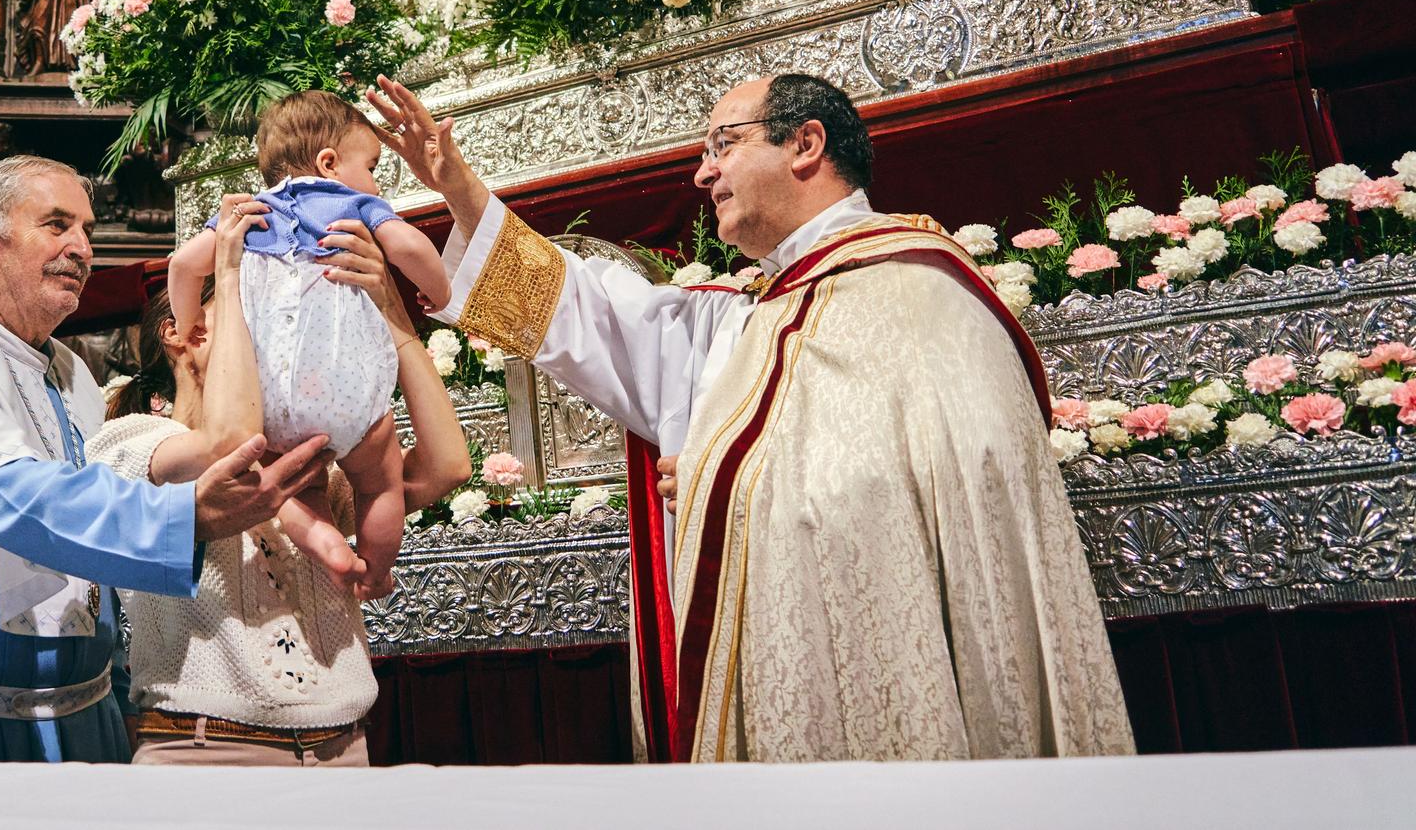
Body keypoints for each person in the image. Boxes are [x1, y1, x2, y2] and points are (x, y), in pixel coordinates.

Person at [367, 73, 1135, 764]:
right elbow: (587, 314)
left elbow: (901, 490)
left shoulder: (918, 294)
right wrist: (461, 188)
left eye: (723, 145)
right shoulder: (751, 320)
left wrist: (715, 477)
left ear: (806, 144)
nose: (703, 171)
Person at [0, 155, 330, 761]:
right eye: (56, 225)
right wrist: (185, 518)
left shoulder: (72, 374)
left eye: (87, 232)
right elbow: (11, 498)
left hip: (83, 717)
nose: (81, 248)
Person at [89, 201, 471, 766]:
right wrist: (228, 271)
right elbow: (224, 439)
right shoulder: (129, 441)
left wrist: (388, 310)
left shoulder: (301, 459)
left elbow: (446, 469)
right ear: (181, 333)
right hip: (207, 751)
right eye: (250, 310)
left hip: (342, 746)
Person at [169, 91, 451, 597]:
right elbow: (410, 247)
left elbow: (182, 266)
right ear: (329, 163)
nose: (377, 179)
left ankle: (329, 547)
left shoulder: (247, 216)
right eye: (372, 165)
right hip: (344, 394)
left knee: (301, 484)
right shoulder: (351, 203)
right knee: (380, 482)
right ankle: (377, 569)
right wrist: (440, 290)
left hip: (270, 405)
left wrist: (190, 322)